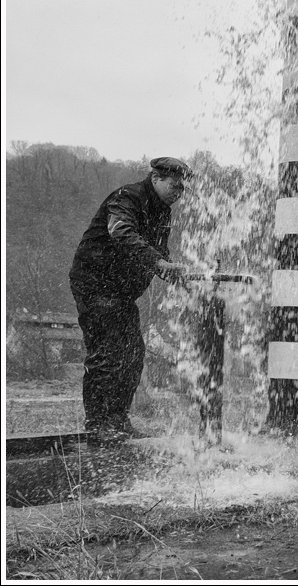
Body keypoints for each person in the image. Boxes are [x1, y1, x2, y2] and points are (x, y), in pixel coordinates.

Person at [69, 156, 191, 445]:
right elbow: (121, 233)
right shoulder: (127, 197)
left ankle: (118, 419)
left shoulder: (163, 211)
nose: (178, 192)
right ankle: (98, 423)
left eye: (182, 189)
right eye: (174, 185)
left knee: (133, 355)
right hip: (95, 284)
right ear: (156, 178)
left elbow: (158, 251)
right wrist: (159, 264)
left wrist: (173, 273)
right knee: (107, 354)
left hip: (121, 292)